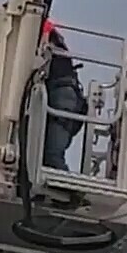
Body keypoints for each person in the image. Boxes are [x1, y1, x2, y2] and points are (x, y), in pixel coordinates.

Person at [42, 21, 88, 171]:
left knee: (51, 157)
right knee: (48, 156)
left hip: (61, 92)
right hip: (63, 91)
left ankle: (72, 191)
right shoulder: (49, 33)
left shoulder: (39, 28)